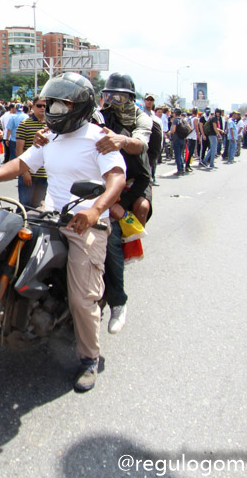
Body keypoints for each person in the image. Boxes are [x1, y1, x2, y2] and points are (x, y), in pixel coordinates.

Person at [0, 73, 125, 392]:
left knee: (83, 298)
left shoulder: (99, 138)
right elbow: (23, 164)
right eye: (50, 102)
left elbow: (117, 179)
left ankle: (89, 358)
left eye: (60, 103)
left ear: (79, 106)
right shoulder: (49, 137)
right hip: (49, 214)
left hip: (85, 224)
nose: (52, 109)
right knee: (5, 258)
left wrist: (95, 210)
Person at [96, 73, 153, 335]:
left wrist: (123, 140)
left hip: (130, 181)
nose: (111, 102)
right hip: (97, 177)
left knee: (112, 234)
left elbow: (140, 144)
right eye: (108, 96)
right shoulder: (97, 116)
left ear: (130, 98)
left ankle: (118, 301)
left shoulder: (141, 118)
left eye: (117, 97)